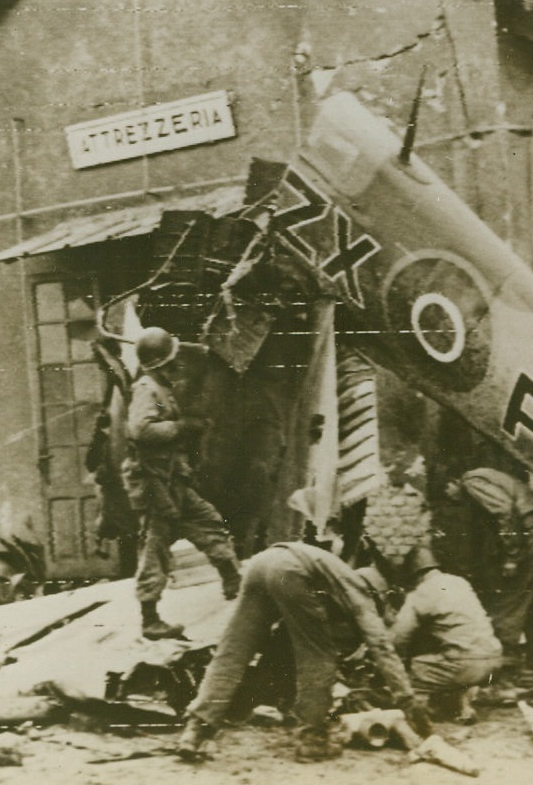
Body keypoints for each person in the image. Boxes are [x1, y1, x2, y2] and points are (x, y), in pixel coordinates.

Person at [176, 541, 431, 763]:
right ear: (379, 594)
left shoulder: (333, 577)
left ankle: (195, 730)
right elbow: (381, 647)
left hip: (260, 564)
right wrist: (407, 701)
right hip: (290, 570)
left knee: (232, 650)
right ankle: (312, 738)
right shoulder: (360, 592)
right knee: (319, 655)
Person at [123, 327, 242, 640]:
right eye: (172, 358)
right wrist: (182, 427)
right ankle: (150, 618)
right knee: (155, 546)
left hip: (173, 479)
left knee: (208, 520)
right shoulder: (147, 388)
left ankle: (232, 580)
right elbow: (141, 430)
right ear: (161, 363)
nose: (177, 363)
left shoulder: (162, 386)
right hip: (154, 483)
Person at [446, 466, 533, 687]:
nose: (453, 500)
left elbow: (504, 510)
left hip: (531, 532)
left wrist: (512, 556)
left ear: (450, 482)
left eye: (447, 493)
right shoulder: (487, 476)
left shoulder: (470, 481)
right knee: (532, 610)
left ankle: (502, 683)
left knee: (509, 606)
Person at [391, 545, 503, 722]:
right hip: (493, 659)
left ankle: (421, 711)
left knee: (415, 669)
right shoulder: (459, 582)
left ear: (415, 574)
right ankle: (464, 707)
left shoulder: (421, 592)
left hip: (465, 665)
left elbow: (399, 638)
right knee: (449, 656)